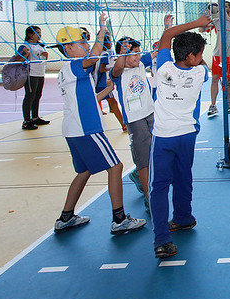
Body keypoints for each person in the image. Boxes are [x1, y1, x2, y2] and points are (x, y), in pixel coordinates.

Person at [51, 13, 147, 236]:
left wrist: (108, 90)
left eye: (86, 41)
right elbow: (94, 57)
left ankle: (66, 217)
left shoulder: (69, 71)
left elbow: (88, 99)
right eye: (81, 42)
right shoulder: (75, 66)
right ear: (68, 48)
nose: (86, 45)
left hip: (73, 130)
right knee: (116, 167)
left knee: (83, 171)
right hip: (87, 129)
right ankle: (119, 219)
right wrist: (102, 29)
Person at [150, 13, 212, 259]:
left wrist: (196, 24)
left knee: (159, 186)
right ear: (192, 57)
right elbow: (201, 64)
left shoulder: (162, 67)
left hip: (163, 137)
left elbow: (167, 36)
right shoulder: (200, 74)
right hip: (187, 135)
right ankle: (184, 217)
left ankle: (163, 240)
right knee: (183, 177)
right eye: (199, 53)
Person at [110, 29, 164, 210]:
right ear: (123, 54)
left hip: (151, 114)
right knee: (144, 161)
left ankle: (136, 175)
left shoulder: (141, 65)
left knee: (155, 152)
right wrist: (123, 54)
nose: (138, 57)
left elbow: (158, 48)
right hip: (135, 119)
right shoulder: (117, 72)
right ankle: (150, 199)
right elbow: (117, 68)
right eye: (133, 54)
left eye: (139, 53)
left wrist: (166, 27)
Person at [201, 1, 230, 116]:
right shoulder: (216, 21)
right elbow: (201, 30)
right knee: (215, 79)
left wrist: (227, 17)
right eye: (222, 7)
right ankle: (213, 105)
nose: (224, 9)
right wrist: (205, 17)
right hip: (217, 55)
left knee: (229, 82)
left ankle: (228, 104)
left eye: (226, 7)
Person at [17, 25, 49, 130]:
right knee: (30, 96)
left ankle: (35, 118)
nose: (40, 35)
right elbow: (18, 60)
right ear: (30, 35)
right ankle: (26, 121)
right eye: (37, 33)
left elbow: (43, 60)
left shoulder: (41, 46)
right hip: (31, 74)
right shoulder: (25, 46)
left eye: (40, 32)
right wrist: (25, 54)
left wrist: (45, 55)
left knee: (37, 95)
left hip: (40, 73)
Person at [94, 33, 127, 132]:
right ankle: (123, 125)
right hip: (103, 84)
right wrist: (113, 67)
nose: (111, 43)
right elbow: (102, 69)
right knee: (113, 103)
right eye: (109, 41)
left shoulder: (103, 53)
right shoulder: (104, 54)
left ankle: (122, 124)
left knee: (112, 103)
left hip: (100, 83)